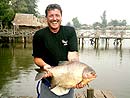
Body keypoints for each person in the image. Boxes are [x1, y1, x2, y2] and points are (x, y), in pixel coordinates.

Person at [32, 3, 85, 98]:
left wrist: (78, 77)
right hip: (48, 82)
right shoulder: (39, 35)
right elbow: (37, 58)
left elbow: (73, 57)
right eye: (51, 16)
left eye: (57, 15)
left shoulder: (70, 32)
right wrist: (45, 66)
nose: (54, 18)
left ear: (61, 17)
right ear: (46, 18)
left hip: (67, 82)